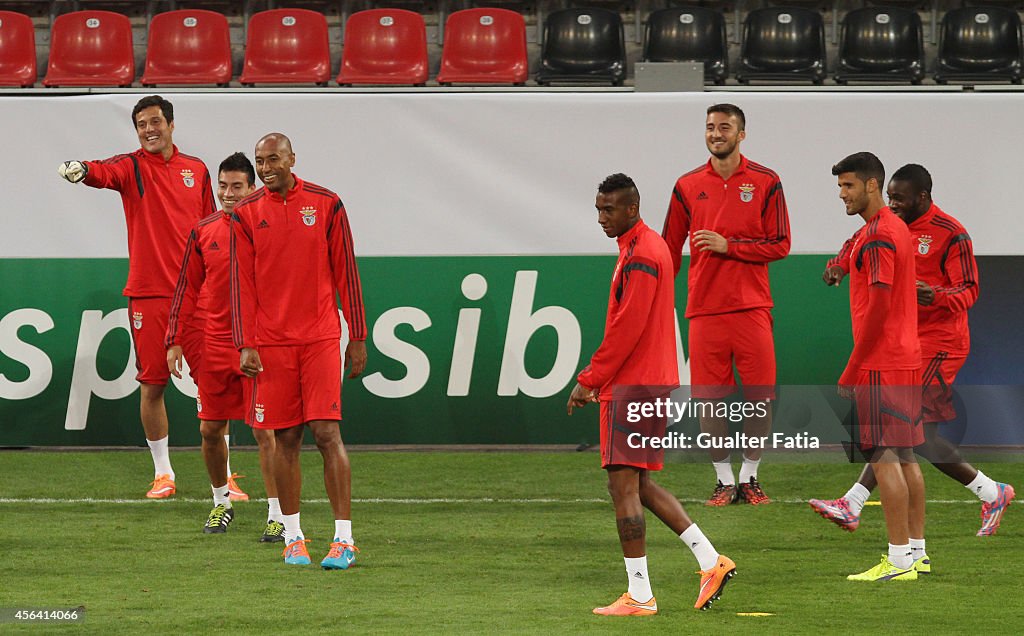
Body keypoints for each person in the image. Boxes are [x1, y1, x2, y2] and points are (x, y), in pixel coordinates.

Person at [811, 164, 1014, 539]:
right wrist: (837, 267)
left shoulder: (952, 235)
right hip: (903, 342)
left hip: (940, 342)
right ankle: (988, 493)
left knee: (909, 434)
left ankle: (987, 492)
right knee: (904, 434)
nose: (894, 204)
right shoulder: (889, 226)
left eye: (900, 198)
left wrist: (935, 294)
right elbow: (854, 244)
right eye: (890, 197)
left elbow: (969, 289)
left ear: (923, 196)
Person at [568, 173, 736, 615]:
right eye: (598, 209)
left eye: (609, 210)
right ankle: (710, 559)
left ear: (632, 209)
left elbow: (628, 328)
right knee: (638, 483)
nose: (602, 217)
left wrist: (591, 378)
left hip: (633, 385)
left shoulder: (641, 253)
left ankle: (640, 594)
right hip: (650, 381)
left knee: (622, 485)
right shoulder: (645, 247)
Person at [58, 95, 215, 498]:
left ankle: (224, 474)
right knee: (153, 385)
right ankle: (164, 473)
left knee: (214, 385)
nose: (149, 129)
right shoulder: (132, 167)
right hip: (148, 295)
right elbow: (104, 173)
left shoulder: (196, 170)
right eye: (142, 124)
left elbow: (211, 229)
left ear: (171, 124)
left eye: (155, 122)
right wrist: (83, 170)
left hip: (196, 296)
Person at [230, 133, 368, 568]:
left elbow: (348, 270)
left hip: (321, 338)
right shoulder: (246, 214)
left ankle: (343, 539)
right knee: (285, 439)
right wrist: (246, 342)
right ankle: (293, 537)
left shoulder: (327, 204)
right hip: (272, 345)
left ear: (292, 158)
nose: (267, 167)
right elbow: (241, 284)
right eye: (260, 161)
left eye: (274, 158)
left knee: (327, 434)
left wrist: (358, 335)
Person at [661, 103, 791, 506]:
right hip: (703, 310)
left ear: (741, 134)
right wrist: (656, 297)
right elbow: (669, 248)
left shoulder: (766, 181)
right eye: (710, 127)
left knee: (760, 398)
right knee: (709, 401)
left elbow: (780, 244)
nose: (716, 133)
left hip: (752, 307)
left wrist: (729, 246)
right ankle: (723, 480)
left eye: (724, 127)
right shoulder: (686, 185)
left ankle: (750, 476)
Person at [166, 152, 285, 541]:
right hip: (216, 345)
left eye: (236, 186)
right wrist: (174, 339)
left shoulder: (271, 228)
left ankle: (277, 513)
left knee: (265, 432)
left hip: (260, 345)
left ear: (253, 187)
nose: (228, 193)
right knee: (210, 429)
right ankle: (222, 502)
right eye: (222, 185)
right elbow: (186, 289)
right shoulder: (203, 231)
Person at [829, 152, 925, 582]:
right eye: (840, 187)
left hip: (882, 362)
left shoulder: (880, 234)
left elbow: (879, 308)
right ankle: (917, 553)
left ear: (872, 185)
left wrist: (854, 368)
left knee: (885, 458)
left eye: (849, 186)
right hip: (905, 357)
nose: (843, 194)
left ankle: (899, 559)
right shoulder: (891, 229)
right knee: (905, 458)